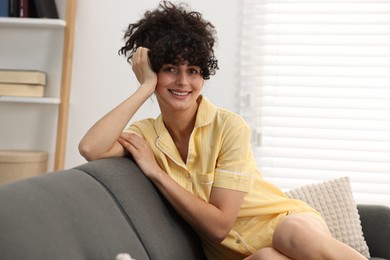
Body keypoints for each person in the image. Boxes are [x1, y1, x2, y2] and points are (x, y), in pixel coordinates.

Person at [79, 2, 367, 259]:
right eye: (170, 69)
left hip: (285, 222)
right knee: (266, 258)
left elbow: (219, 225)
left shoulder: (229, 126)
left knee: (289, 233)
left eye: (192, 70)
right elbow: (92, 148)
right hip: (242, 256)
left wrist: (156, 173)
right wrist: (144, 87)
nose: (183, 82)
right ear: (153, 71)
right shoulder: (145, 136)